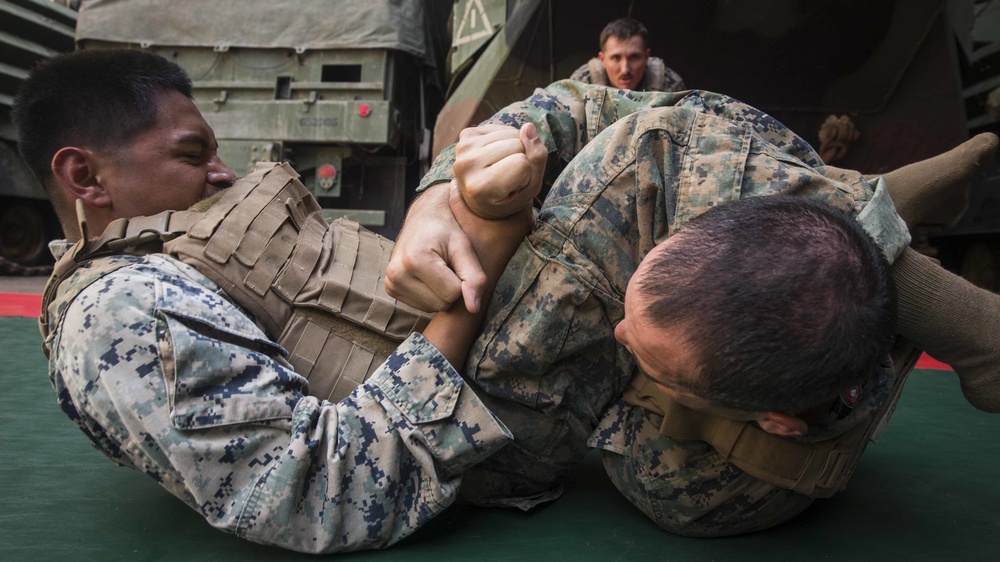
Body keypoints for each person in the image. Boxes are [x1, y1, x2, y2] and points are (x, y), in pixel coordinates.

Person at [388, 80, 1000, 534]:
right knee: (676, 153)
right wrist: (441, 196)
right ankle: (878, 232)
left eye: (655, 365)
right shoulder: (701, 171)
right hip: (762, 233)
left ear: (774, 422)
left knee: (526, 368)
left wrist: (495, 229)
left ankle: (867, 221)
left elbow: (514, 445)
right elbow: (584, 107)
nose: (620, 331)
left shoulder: (690, 487)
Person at [13, 48, 524, 554]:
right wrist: (468, 291)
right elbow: (326, 493)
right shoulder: (122, 308)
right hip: (499, 427)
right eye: (192, 155)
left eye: (215, 153)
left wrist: (440, 204)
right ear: (84, 176)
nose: (222, 174)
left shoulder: (173, 260)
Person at [568, 17, 686, 92]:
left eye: (634, 57)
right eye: (616, 58)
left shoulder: (670, 86)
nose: (625, 70)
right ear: (602, 59)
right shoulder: (581, 84)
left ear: (647, 57)